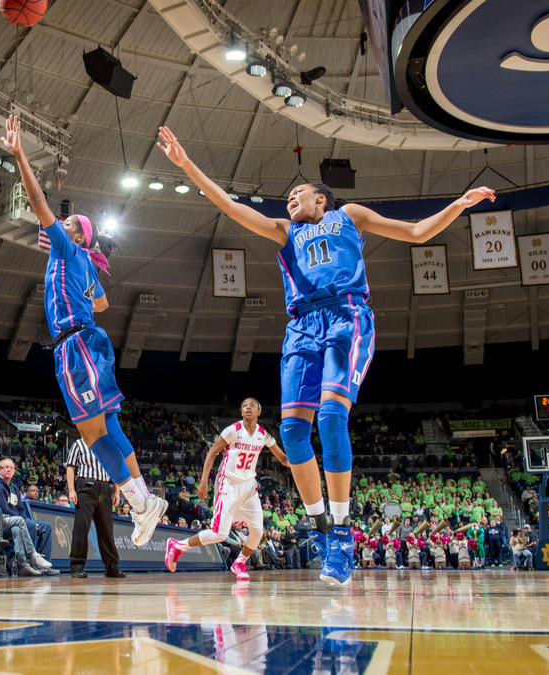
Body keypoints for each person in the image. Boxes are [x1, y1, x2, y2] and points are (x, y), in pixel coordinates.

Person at [158, 125, 495, 585]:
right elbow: (230, 206)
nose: (290, 200)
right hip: (301, 328)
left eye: (298, 194)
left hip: (346, 316)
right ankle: (323, 531)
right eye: (288, 198)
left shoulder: (349, 216)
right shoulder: (284, 231)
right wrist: (186, 164)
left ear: (323, 201)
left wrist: (458, 205)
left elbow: (416, 232)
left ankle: (341, 531)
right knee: (294, 430)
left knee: (333, 418)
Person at [3, 115, 168, 546]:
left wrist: (20, 153)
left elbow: (38, 201)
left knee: (92, 435)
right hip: (83, 342)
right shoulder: (82, 266)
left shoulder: (66, 249)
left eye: (69, 222)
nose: (61, 222)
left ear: (77, 235)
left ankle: (138, 501)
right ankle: (144, 499)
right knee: (108, 430)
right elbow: (102, 303)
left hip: (76, 345)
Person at [164, 398, 289, 581]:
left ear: (259, 412)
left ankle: (240, 562)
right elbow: (212, 452)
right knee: (219, 533)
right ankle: (177, 546)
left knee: (257, 532)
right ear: (241, 412)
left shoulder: (264, 435)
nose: (248, 408)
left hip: (249, 487)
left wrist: (301, 462)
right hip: (228, 484)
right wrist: (204, 481)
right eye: (245, 405)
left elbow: (283, 459)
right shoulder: (233, 430)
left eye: (252, 405)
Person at [66, 437, 123, 579]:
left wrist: (117, 491)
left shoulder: (107, 443)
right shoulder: (78, 443)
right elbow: (70, 467)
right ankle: (77, 566)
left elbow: (115, 469)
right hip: (85, 486)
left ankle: (112, 567)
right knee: (81, 527)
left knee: (107, 529)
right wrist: (71, 490)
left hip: (105, 487)